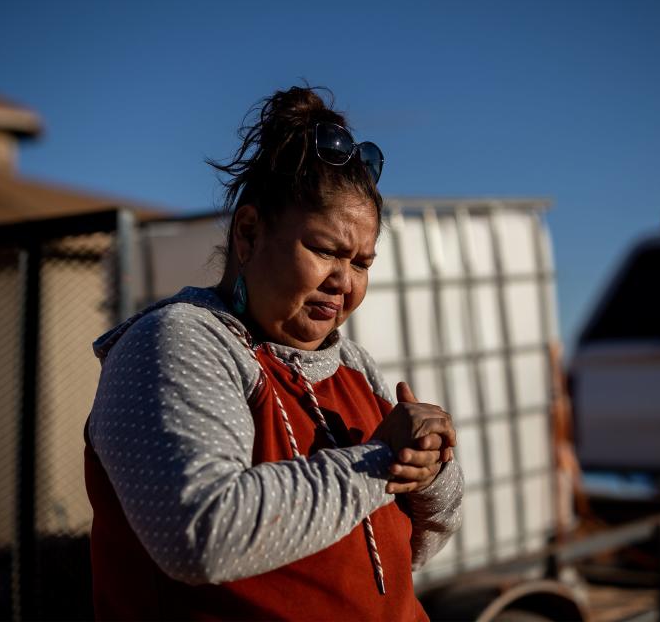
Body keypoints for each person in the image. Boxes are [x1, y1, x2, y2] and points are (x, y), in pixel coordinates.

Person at [83, 86, 464, 621]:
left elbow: (411, 551)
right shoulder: (178, 343)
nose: (343, 282)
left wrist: (429, 470)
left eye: (361, 263)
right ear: (249, 232)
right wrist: (379, 463)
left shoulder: (353, 367)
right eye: (325, 250)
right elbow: (202, 533)